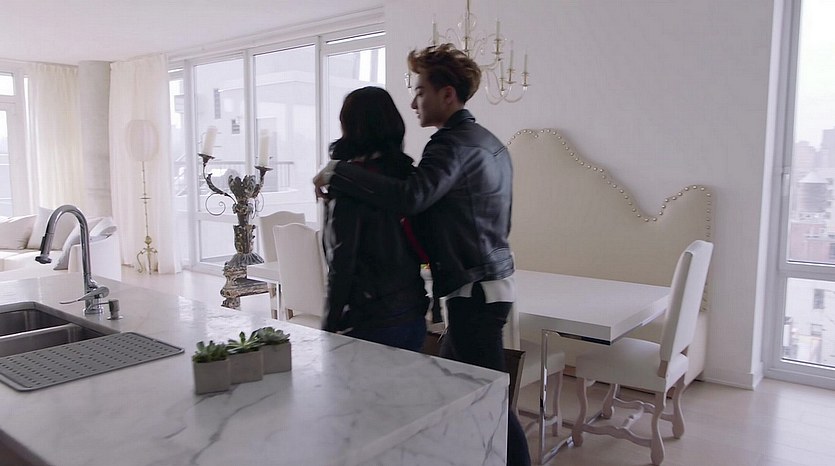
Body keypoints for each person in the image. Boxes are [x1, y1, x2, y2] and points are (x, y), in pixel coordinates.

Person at [314, 44, 531, 466]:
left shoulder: (451, 145)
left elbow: (412, 197)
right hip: (486, 284)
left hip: (475, 290)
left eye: (420, 91)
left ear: (447, 95)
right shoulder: (488, 142)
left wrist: (338, 171)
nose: (414, 102)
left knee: (490, 400)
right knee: (454, 389)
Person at [321, 86, 429, 352]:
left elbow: (342, 261)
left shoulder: (349, 185)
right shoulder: (410, 176)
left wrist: (329, 324)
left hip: (369, 318)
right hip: (413, 311)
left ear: (349, 126)